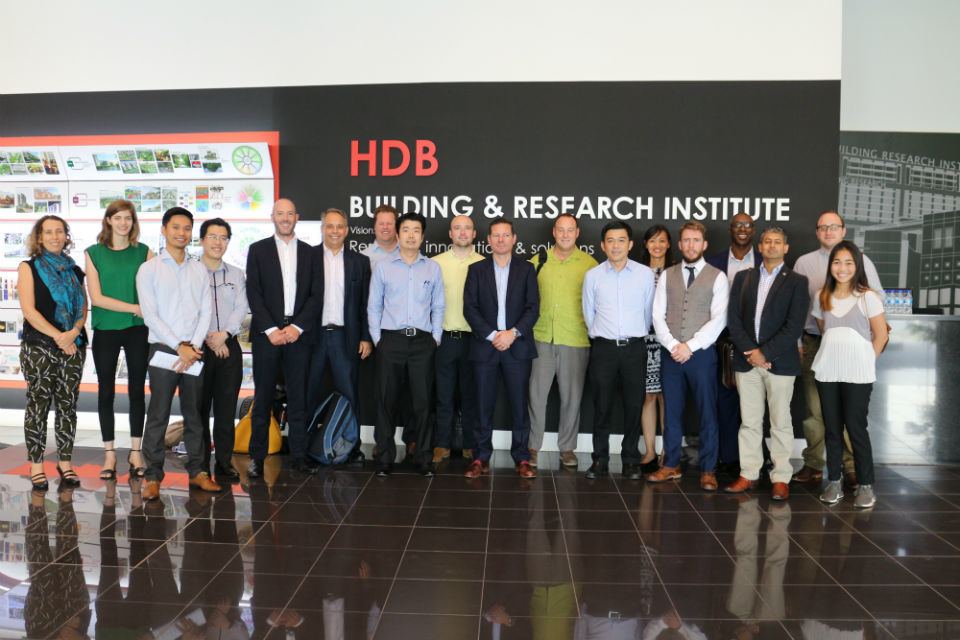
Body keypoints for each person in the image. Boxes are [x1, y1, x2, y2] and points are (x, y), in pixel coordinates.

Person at [792, 211, 883, 488]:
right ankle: (814, 464)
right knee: (816, 412)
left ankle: (852, 468)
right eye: (823, 227)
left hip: (855, 350)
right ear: (817, 232)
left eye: (834, 226)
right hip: (817, 344)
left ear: (843, 230)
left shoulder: (861, 261)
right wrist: (799, 342)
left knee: (851, 418)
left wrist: (864, 356)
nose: (828, 231)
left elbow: (876, 304)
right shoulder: (804, 263)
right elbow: (806, 313)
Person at [136, 207, 219, 500]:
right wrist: (178, 347)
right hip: (164, 349)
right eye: (176, 227)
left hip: (194, 350)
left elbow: (206, 310)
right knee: (158, 413)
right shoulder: (149, 269)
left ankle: (198, 472)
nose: (181, 233)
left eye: (186, 228)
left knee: (195, 412)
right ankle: (153, 477)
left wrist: (192, 347)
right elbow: (150, 315)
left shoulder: (199, 268)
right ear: (164, 230)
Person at [723, 227, 809, 500]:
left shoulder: (797, 281)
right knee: (749, 422)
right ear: (759, 248)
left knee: (780, 422)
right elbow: (733, 319)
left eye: (777, 242)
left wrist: (765, 353)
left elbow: (794, 326)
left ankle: (780, 477)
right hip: (747, 361)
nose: (772, 246)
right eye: (767, 242)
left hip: (780, 363)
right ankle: (749, 473)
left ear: (785, 248)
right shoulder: (744, 277)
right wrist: (752, 352)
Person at [245, 198, 323, 478]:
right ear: (272, 217)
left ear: (297, 217)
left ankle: (299, 456)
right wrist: (271, 329)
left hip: (298, 336)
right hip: (267, 336)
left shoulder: (311, 253)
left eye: (290, 213)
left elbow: (316, 295)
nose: (285, 218)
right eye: (280, 213)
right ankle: (257, 457)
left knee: (299, 398)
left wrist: (297, 327)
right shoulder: (258, 250)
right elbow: (253, 293)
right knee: (263, 398)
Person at [649, 221, 729, 491]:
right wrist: (674, 345)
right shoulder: (667, 275)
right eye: (686, 240)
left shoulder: (717, 277)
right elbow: (657, 315)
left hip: (702, 355)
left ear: (704, 244)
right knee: (671, 412)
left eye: (696, 240)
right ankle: (671, 464)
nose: (691, 245)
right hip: (671, 354)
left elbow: (719, 319)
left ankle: (708, 469)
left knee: (708, 412)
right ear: (680, 244)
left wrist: (690, 346)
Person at [367, 211, 444, 477]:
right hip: (391, 340)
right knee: (385, 402)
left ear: (422, 236)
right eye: (406, 230)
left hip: (423, 342)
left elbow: (438, 306)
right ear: (398, 235)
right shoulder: (384, 267)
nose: (411, 235)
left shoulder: (432, 268)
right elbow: (374, 306)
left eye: (416, 231)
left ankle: (423, 458)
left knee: (423, 403)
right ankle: (385, 458)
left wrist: (435, 338)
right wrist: (379, 340)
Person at [463, 217, 540, 479]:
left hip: (517, 347)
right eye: (496, 235)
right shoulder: (476, 270)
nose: (501, 239)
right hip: (485, 347)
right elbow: (470, 308)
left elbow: (533, 308)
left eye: (506, 235)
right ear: (488, 240)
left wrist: (512, 334)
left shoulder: (527, 269)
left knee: (519, 406)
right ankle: (480, 457)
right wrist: (493, 335)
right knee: (482, 405)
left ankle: (522, 458)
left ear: (514, 239)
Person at [813, 241, 888, 508]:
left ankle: (866, 485)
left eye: (848, 262)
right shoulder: (821, 295)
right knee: (832, 429)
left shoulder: (868, 297)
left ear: (857, 266)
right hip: (828, 370)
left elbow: (881, 335)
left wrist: (866, 362)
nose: (842, 268)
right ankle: (834, 481)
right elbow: (825, 331)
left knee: (856, 428)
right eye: (837, 262)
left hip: (858, 374)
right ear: (830, 265)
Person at [18, 215, 88, 491]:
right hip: (40, 347)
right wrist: (60, 336)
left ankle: (65, 463)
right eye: (48, 232)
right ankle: (36, 465)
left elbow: (82, 308)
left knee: (68, 406)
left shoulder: (74, 270)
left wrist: (74, 331)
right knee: (38, 405)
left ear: (66, 236)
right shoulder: (29, 267)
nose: (55, 236)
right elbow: (29, 311)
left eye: (59, 231)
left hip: (73, 346)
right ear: (39, 237)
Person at [581, 221, 655, 479]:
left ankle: (630, 459)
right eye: (610, 241)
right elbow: (589, 314)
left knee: (634, 405)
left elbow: (648, 313)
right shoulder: (593, 276)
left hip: (635, 348)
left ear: (630, 244)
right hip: (604, 348)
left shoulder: (645, 274)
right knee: (602, 406)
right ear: (603, 245)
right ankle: (599, 460)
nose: (616, 246)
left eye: (621, 240)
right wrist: (603, 335)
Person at [85, 200, 153, 481]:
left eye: (128, 218)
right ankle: (109, 454)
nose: (123, 223)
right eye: (118, 218)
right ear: (108, 221)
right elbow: (97, 298)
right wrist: (135, 307)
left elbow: (156, 289)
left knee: (137, 391)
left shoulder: (145, 252)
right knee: (106, 393)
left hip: (138, 329)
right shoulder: (93, 253)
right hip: (106, 329)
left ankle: (136, 452)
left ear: (133, 222)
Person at [527, 214, 597, 469]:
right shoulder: (538, 260)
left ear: (577, 233)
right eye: (561, 230)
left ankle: (567, 448)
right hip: (541, 337)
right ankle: (532, 447)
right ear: (554, 232)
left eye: (570, 230)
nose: (565, 235)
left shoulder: (590, 265)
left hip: (575, 338)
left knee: (572, 398)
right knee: (536, 396)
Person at [306, 207, 372, 464]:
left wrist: (365, 337)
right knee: (308, 391)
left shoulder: (359, 262)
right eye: (330, 226)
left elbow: (365, 304)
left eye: (339, 226)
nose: (334, 231)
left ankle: (351, 448)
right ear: (323, 229)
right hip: (313, 337)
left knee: (350, 392)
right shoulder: (307, 257)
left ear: (347, 230)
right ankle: (304, 448)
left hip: (346, 337)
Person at [197, 218, 248, 483]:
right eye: (213, 237)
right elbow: (187, 308)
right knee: (199, 409)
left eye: (223, 237)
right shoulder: (190, 272)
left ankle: (224, 462)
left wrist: (224, 335)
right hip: (198, 347)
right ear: (202, 240)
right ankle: (201, 464)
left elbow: (241, 308)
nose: (218, 242)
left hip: (229, 346)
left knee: (226, 409)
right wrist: (209, 338)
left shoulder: (237, 274)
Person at [706, 212, 757, 475]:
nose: (742, 229)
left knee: (754, 403)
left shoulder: (765, 261)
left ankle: (754, 459)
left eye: (747, 225)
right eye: (738, 225)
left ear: (753, 230)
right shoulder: (713, 262)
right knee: (724, 399)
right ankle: (728, 456)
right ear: (730, 230)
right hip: (721, 341)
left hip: (757, 342)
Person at [431, 215, 484, 463]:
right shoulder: (435, 263)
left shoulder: (485, 263)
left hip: (474, 339)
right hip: (444, 338)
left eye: (467, 228)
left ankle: (470, 445)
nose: (462, 232)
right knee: (443, 395)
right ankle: (441, 444)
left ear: (474, 234)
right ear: (450, 234)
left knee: (471, 395)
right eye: (457, 228)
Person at [637, 224, 675, 472]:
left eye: (662, 241)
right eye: (652, 241)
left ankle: (667, 452)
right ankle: (650, 450)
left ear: (669, 244)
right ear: (646, 244)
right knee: (648, 396)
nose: (657, 245)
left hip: (669, 342)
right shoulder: (636, 272)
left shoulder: (677, 272)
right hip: (644, 341)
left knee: (667, 397)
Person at [361, 203, 400, 269]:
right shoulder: (364, 256)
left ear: (396, 226)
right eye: (381, 224)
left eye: (389, 223)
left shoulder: (408, 253)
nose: (385, 227)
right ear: (375, 227)